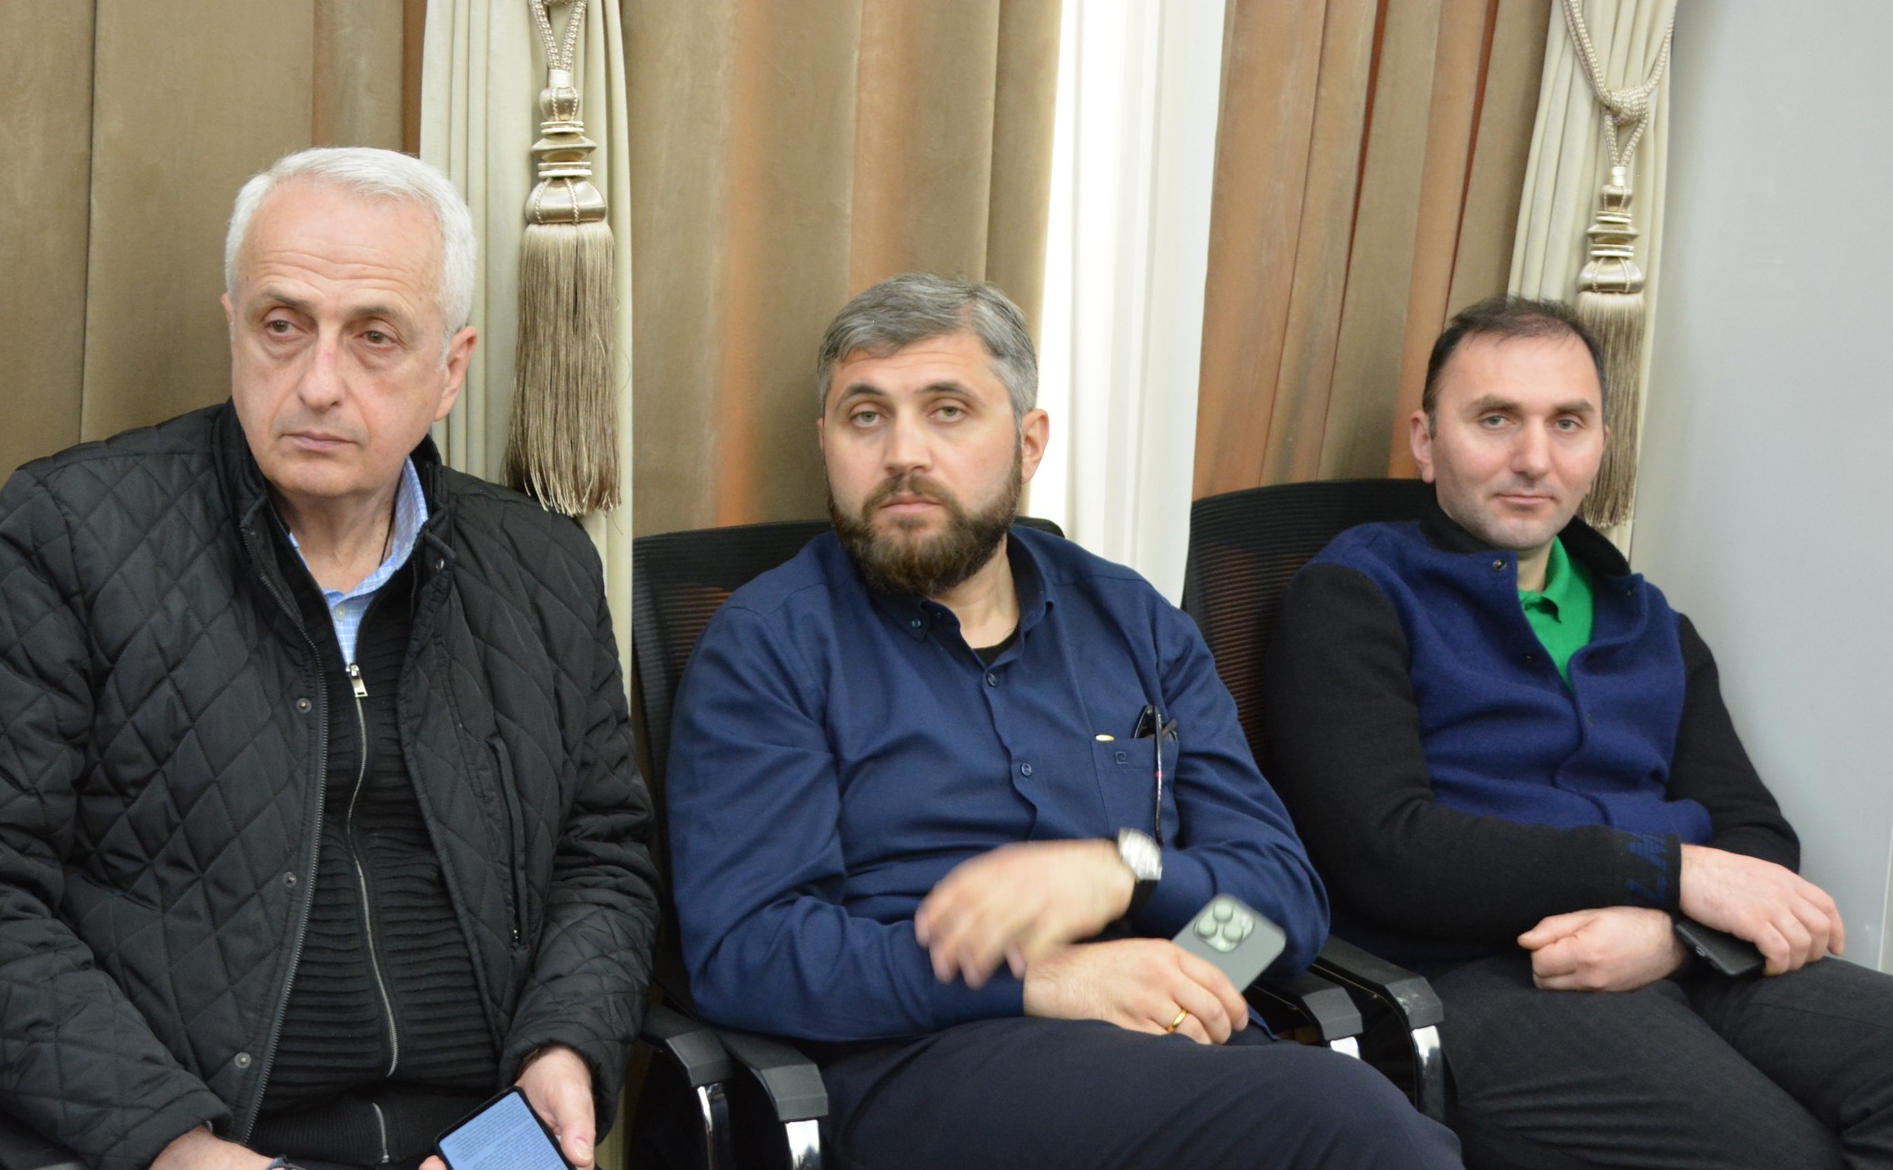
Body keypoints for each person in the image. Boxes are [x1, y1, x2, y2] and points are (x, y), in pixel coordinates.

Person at [0, 147, 656, 1170]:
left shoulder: (540, 565)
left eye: (374, 336)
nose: (317, 384)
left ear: (451, 369)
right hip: (209, 1140)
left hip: (479, 1140)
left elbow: (602, 855)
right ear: (233, 326)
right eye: (282, 325)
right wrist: (171, 1142)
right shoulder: (72, 534)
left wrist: (564, 1048)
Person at [666, 273, 1462, 1168]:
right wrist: (1035, 980)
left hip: (1179, 1062)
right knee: (1344, 1119)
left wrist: (1142, 893)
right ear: (827, 443)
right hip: (923, 1069)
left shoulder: (1135, 622)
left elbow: (1284, 908)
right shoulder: (769, 643)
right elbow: (750, 953)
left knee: (1342, 1122)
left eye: (948, 411)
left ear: (1029, 441)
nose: (903, 454)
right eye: (865, 416)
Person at [1264, 295, 1893, 1168]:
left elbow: (1756, 838)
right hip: (1484, 978)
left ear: (1600, 445)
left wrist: (1669, 939)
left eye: (1567, 423)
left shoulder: (1650, 622)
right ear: (1426, 440)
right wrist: (1668, 873)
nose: (1534, 458)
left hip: (1673, 959)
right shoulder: (1352, 596)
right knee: (1786, 1157)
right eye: (1495, 419)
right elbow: (1389, 850)